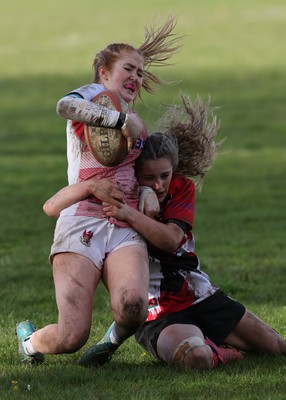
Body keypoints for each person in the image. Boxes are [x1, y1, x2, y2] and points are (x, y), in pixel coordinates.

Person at [44, 95, 286, 370]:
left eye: (165, 176)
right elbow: (52, 205)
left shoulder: (181, 188)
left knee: (276, 347)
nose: (159, 186)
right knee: (198, 359)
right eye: (149, 178)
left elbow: (171, 240)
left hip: (199, 294)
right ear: (135, 175)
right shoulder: (121, 193)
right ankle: (219, 350)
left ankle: (208, 338)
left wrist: (129, 215)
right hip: (157, 313)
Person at [16, 16, 181, 366]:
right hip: (82, 221)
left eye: (140, 72)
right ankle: (30, 342)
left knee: (134, 310)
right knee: (71, 336)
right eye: (128, 69)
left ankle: (107, 344)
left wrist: (148, 192)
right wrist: (122, 123)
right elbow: (65, 107)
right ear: (104, 72)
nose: (136, 77)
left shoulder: (134, 118)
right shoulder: (95, 96)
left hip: (123, 224)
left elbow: (138, 171)